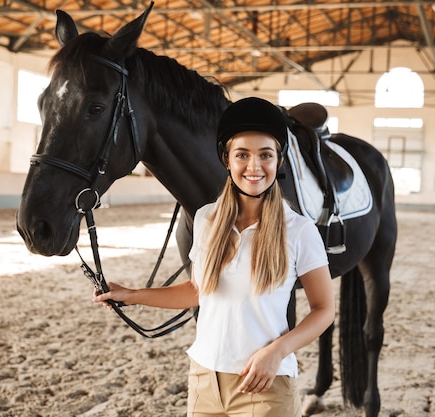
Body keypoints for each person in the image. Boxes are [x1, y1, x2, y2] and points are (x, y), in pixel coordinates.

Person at [94, 96, 335, 417]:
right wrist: (133, 295)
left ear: (279, 161)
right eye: (242, 155)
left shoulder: (300, 230)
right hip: (205, 378)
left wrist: (277, 352)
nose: (254, 166)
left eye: (265, 155)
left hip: (265, 382)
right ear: (227, 160)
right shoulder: (207, 219)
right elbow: (198, 290)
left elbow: (323, 309)